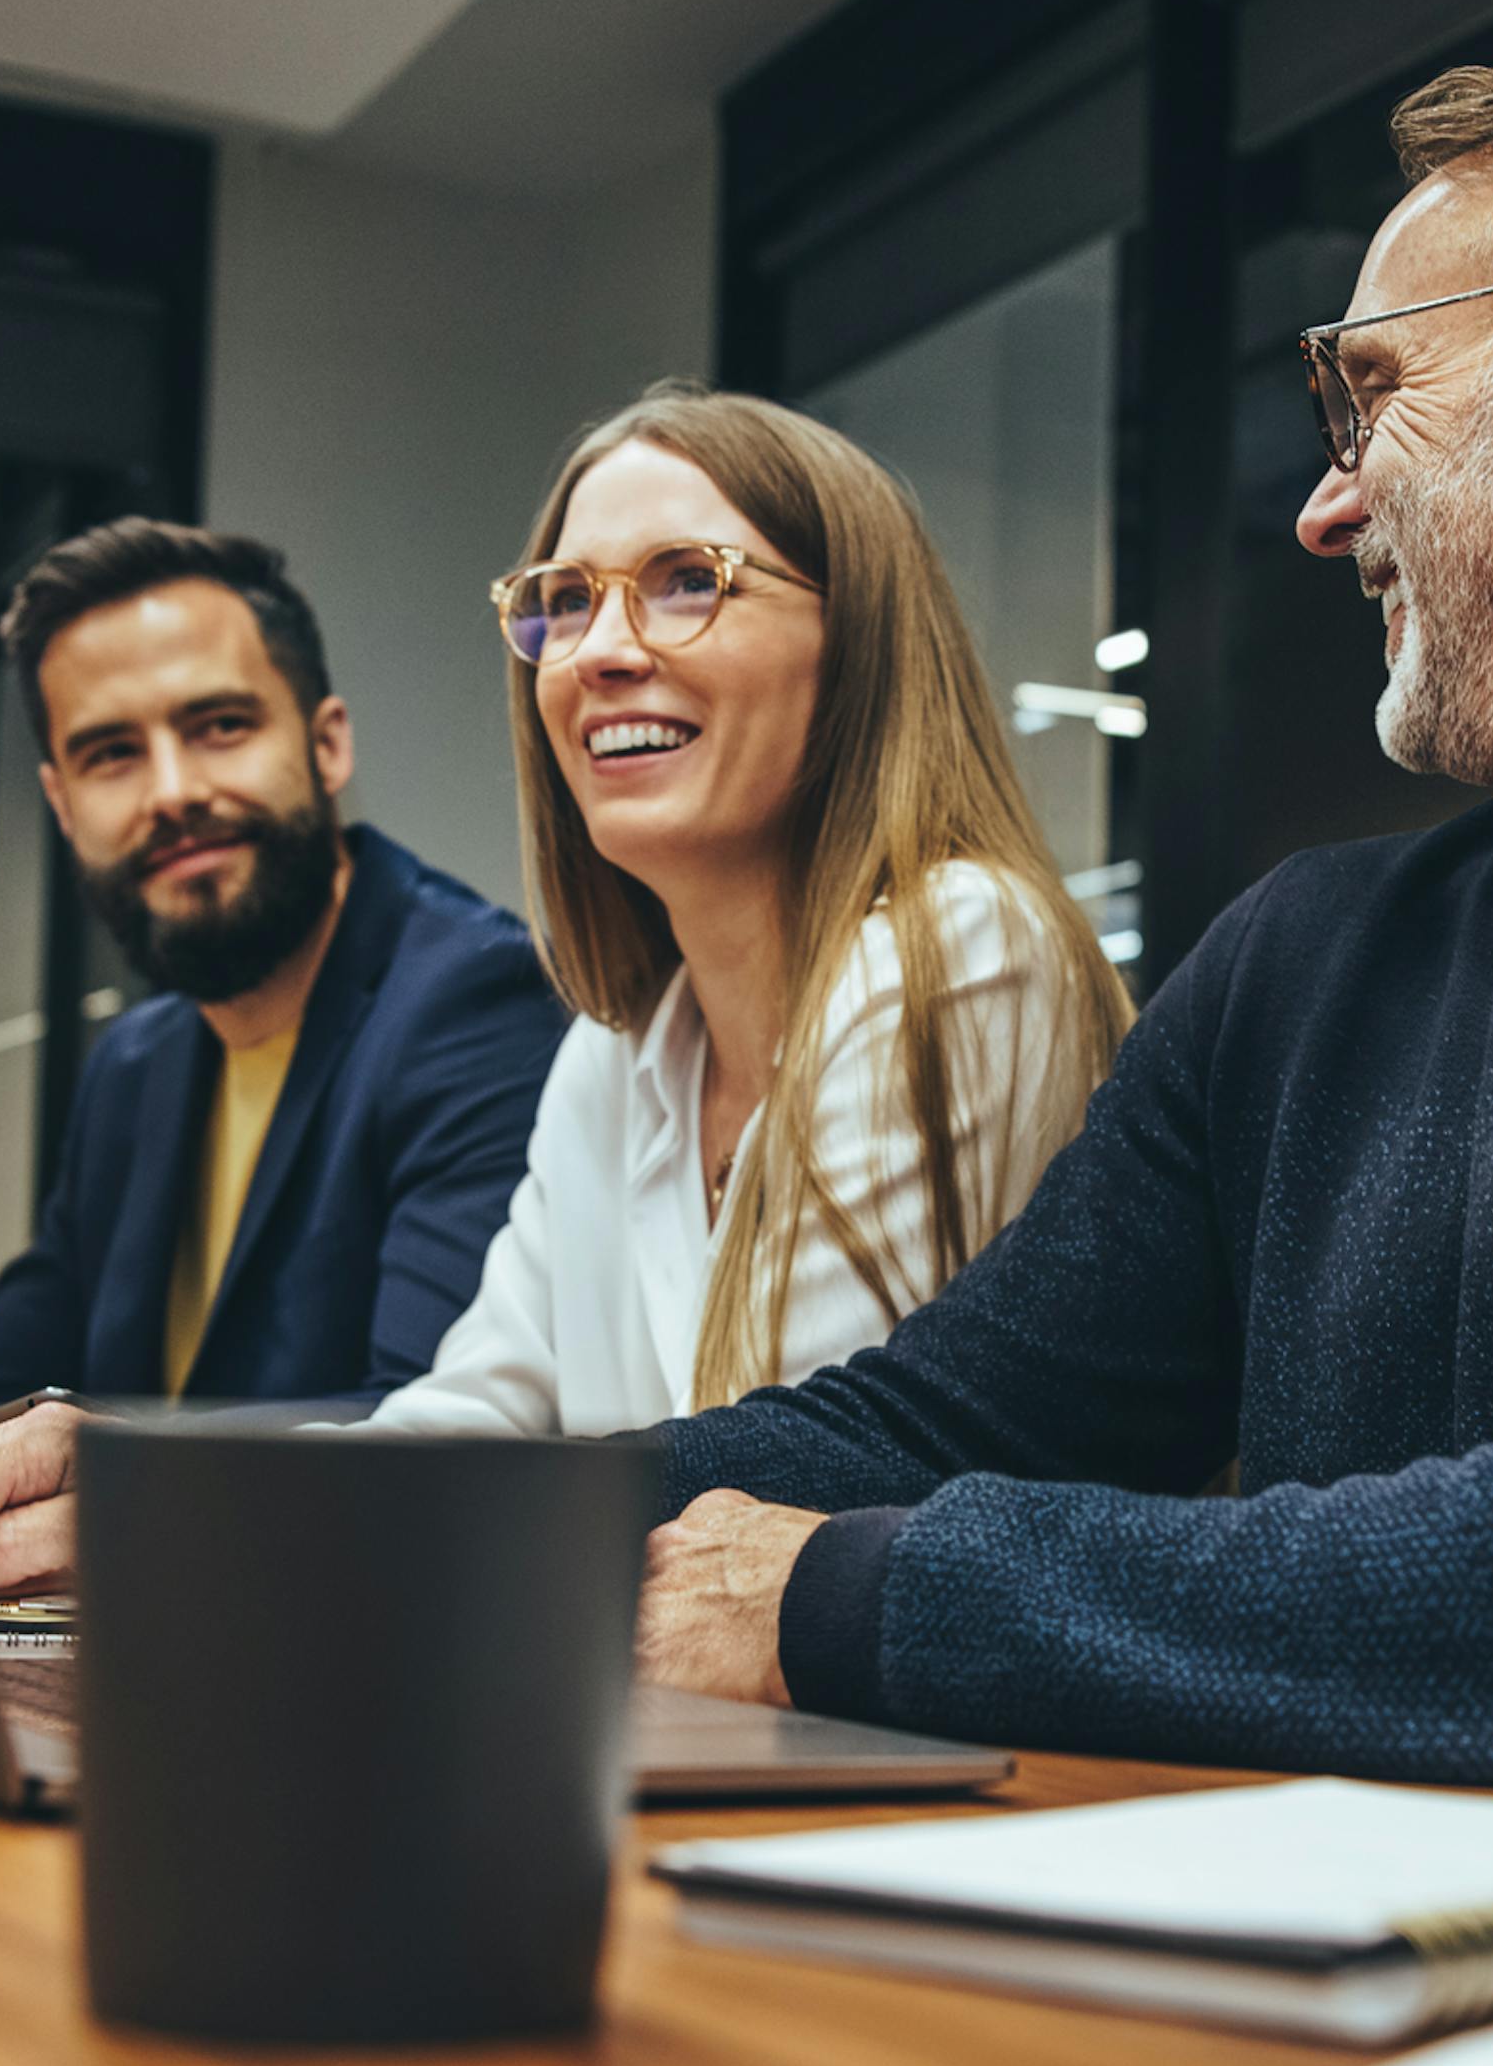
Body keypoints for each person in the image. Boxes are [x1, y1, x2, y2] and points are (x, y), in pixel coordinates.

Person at [0, 39, 1493, 1895]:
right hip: (1455, 1985)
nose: (1318, 497)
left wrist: (859, 1604)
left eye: (1366, 391)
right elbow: (913, 1418)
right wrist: (255, 1529)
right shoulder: (1320, 953)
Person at [347, 388, 1129, 1441]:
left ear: (857, 643)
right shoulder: (617, 1058)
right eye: (566, 601)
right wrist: (170, 1496)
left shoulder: (964, 945)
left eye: (685, 583)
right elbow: (474, 1413)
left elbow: (776, 1484)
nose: (598, 651)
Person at [0, 522, 566, 1415]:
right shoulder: (133, 1065)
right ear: (63, 806)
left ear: (327, 744)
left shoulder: (478, 1004)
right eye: (113, 754)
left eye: (219, 725)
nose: (173, 791)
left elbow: (427, 1435)